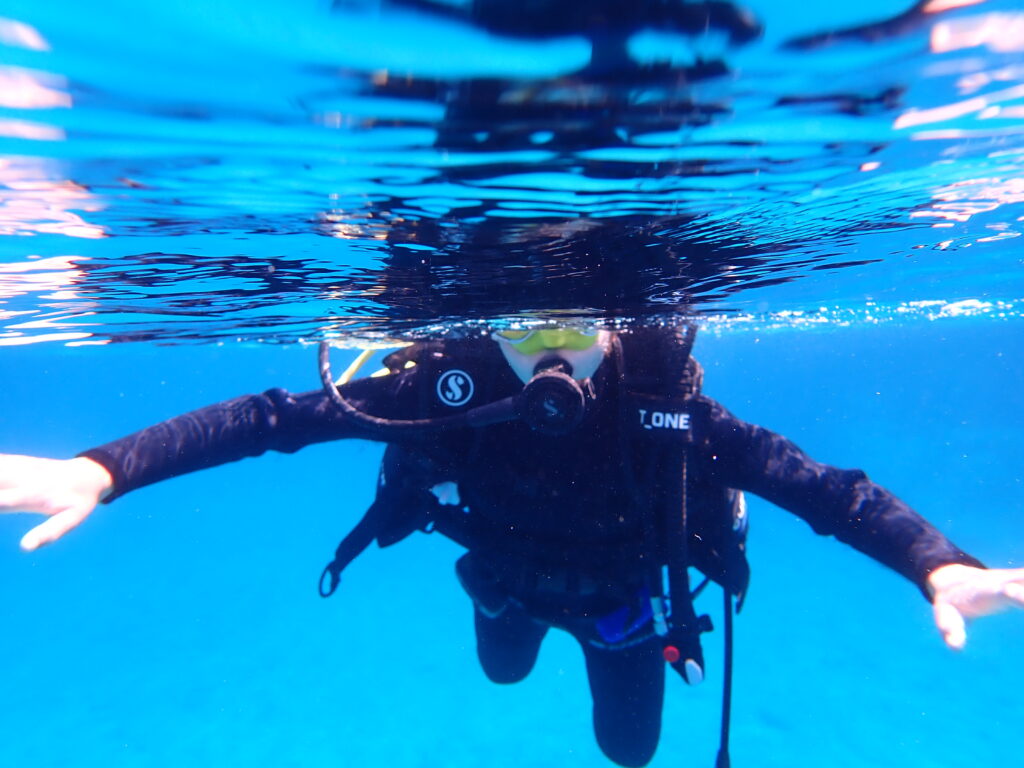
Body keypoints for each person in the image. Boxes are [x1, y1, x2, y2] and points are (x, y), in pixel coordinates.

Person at [1, 323, 1022, 768]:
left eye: (575, 329)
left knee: (629, 753)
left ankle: (513, 604)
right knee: (498, 670)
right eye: (525, 326)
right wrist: (104, 468)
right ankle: (493, 598)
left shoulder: (671, 411)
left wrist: (933, 560)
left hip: (626, 606)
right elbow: (275, 418)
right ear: (482, 329)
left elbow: (824, 491)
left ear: (620, 332)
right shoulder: (443, 389)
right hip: (505, 577)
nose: (549, 358)